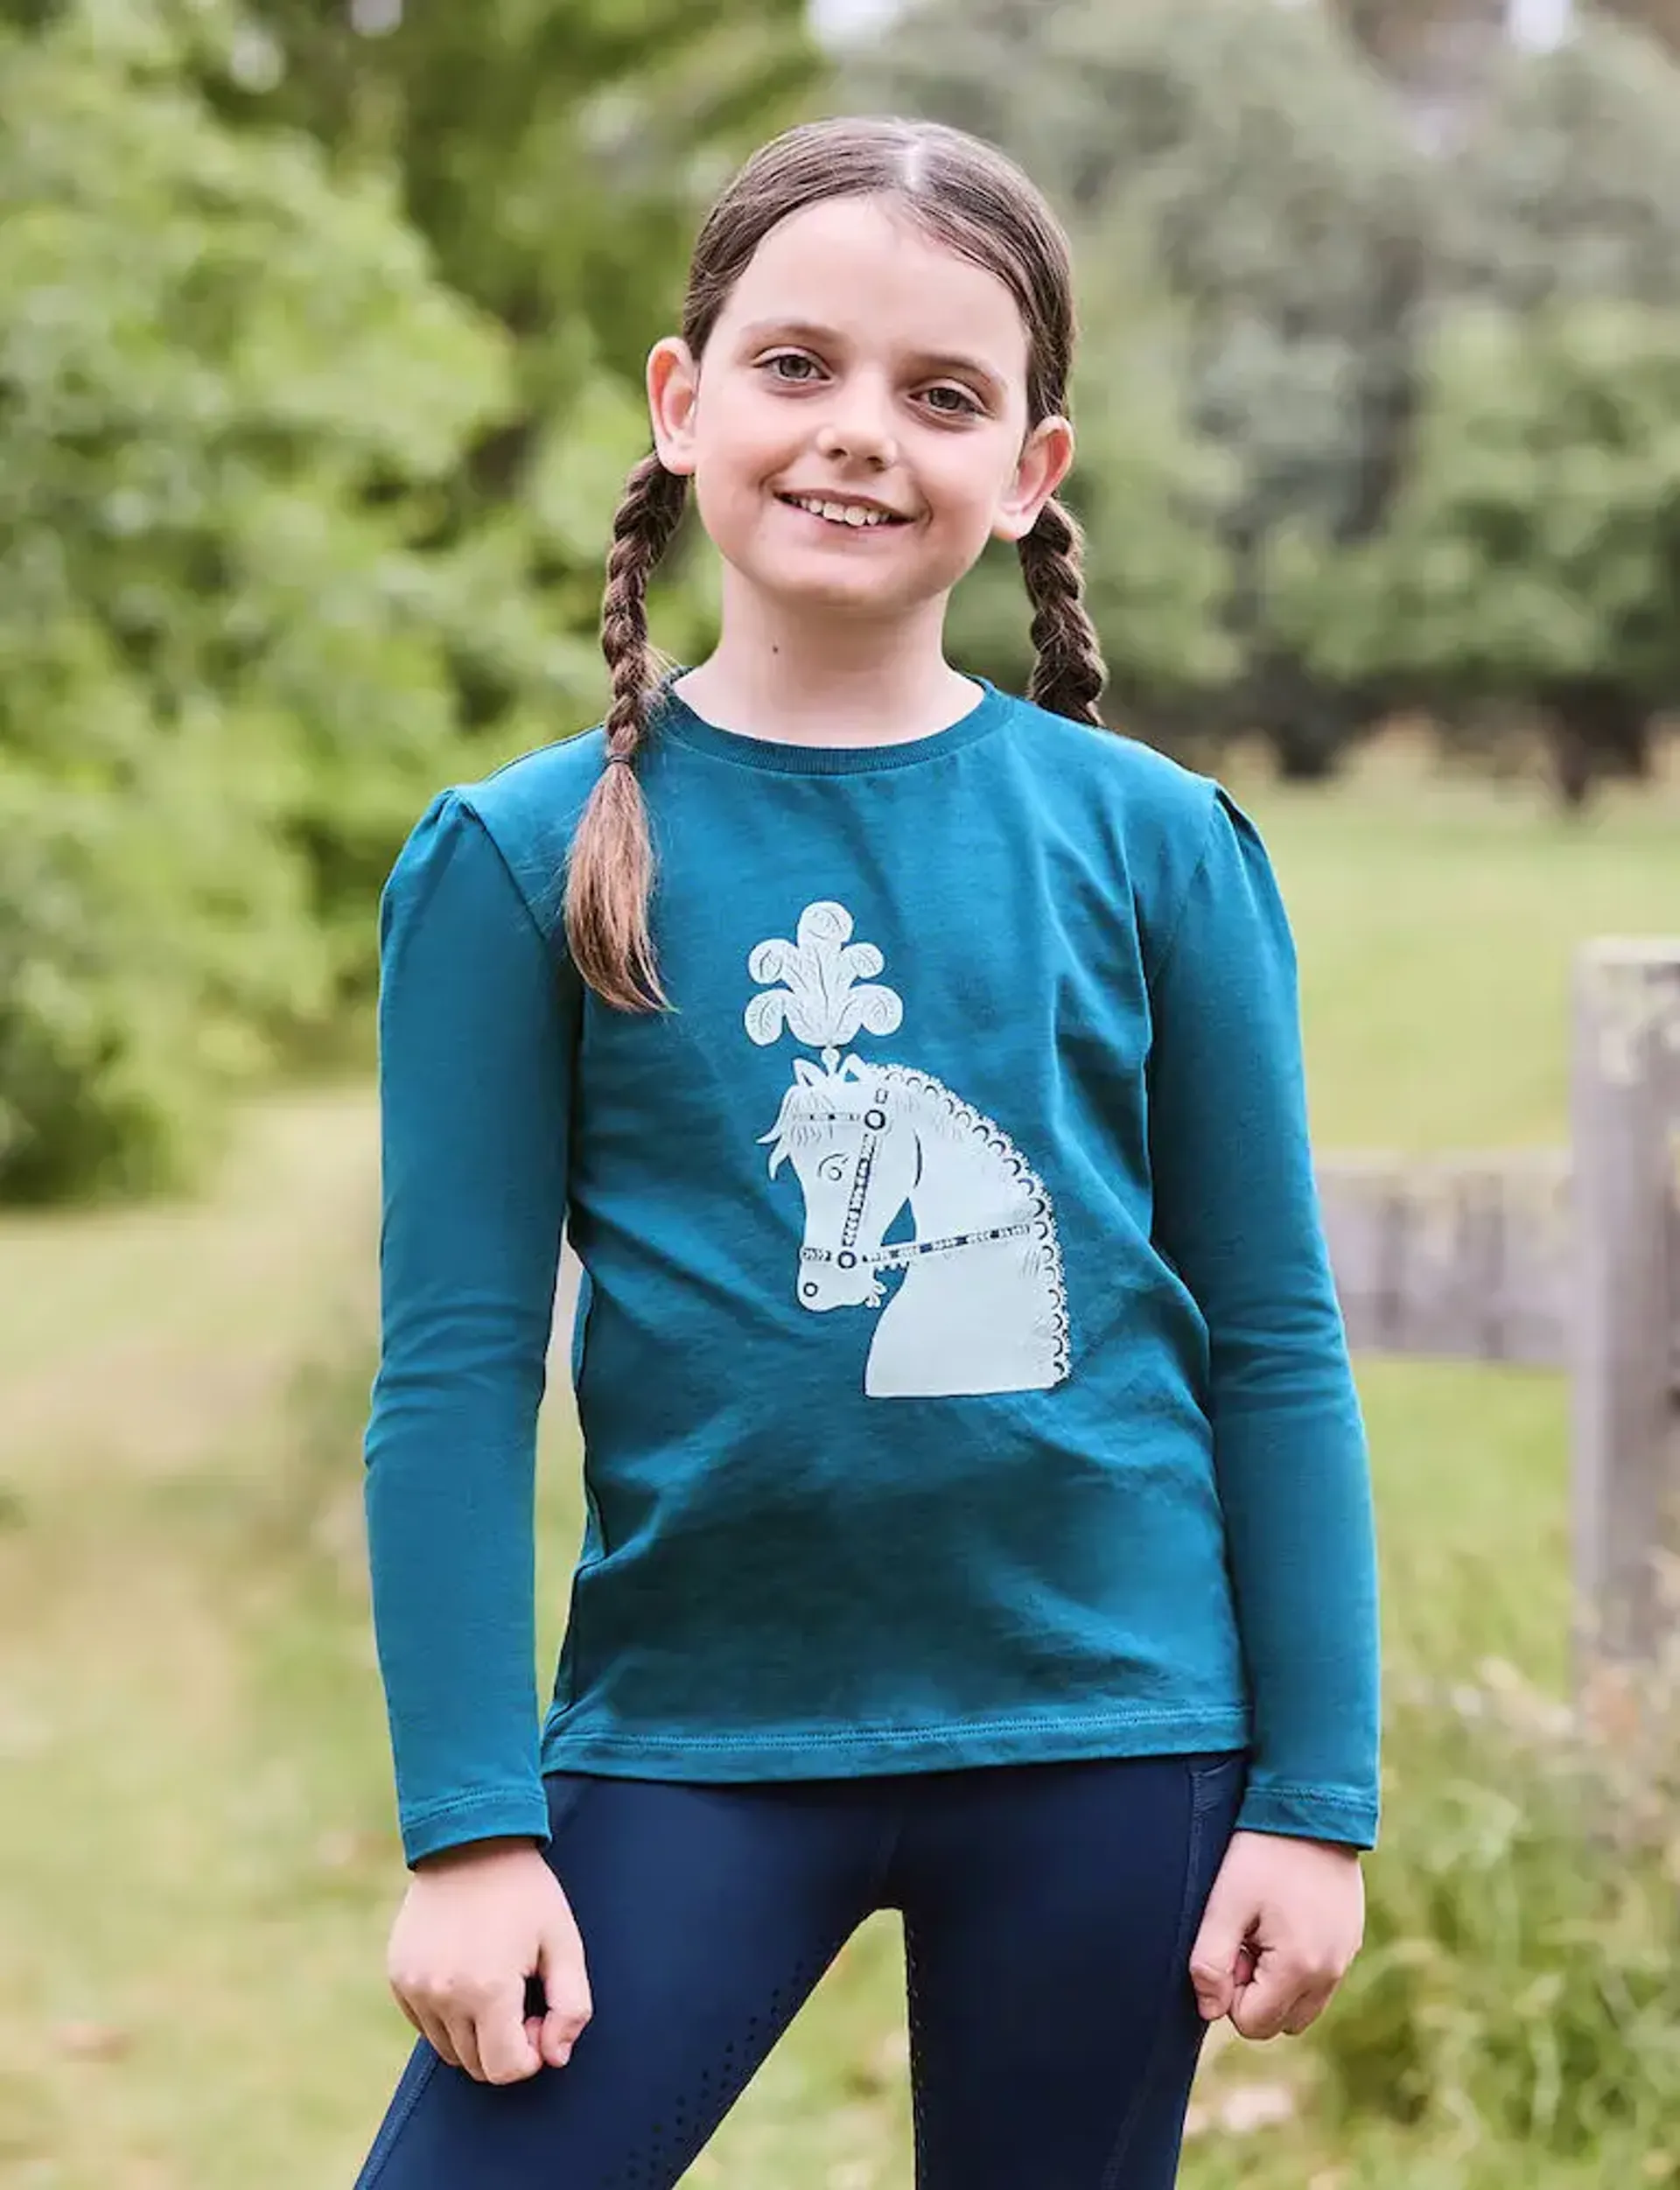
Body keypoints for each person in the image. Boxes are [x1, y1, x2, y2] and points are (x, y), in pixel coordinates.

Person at [349, 114, 1379, 2190]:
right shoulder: (519, 859)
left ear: (1031, 469)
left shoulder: (1159, 849)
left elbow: (1274, 1340)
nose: (858, 435)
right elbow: (456, 1370)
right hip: (695, 1735)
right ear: (683, 400)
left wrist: (1316, 1798)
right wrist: (469, 1832)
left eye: (943, 395)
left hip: (1114, 1741)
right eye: (797, 364)